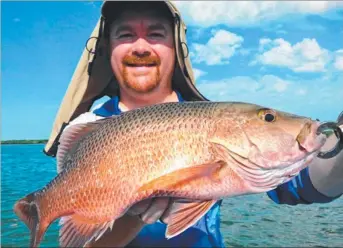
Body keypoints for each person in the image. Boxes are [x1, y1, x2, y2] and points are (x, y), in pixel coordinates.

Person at [44, 1, 343, 247]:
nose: (140, 46)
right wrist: (133, 219)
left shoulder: (208, 118)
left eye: (156, 34)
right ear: (107, 48)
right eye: (125, 35)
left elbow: (306, 185)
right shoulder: (90, 126)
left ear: (177, 46)